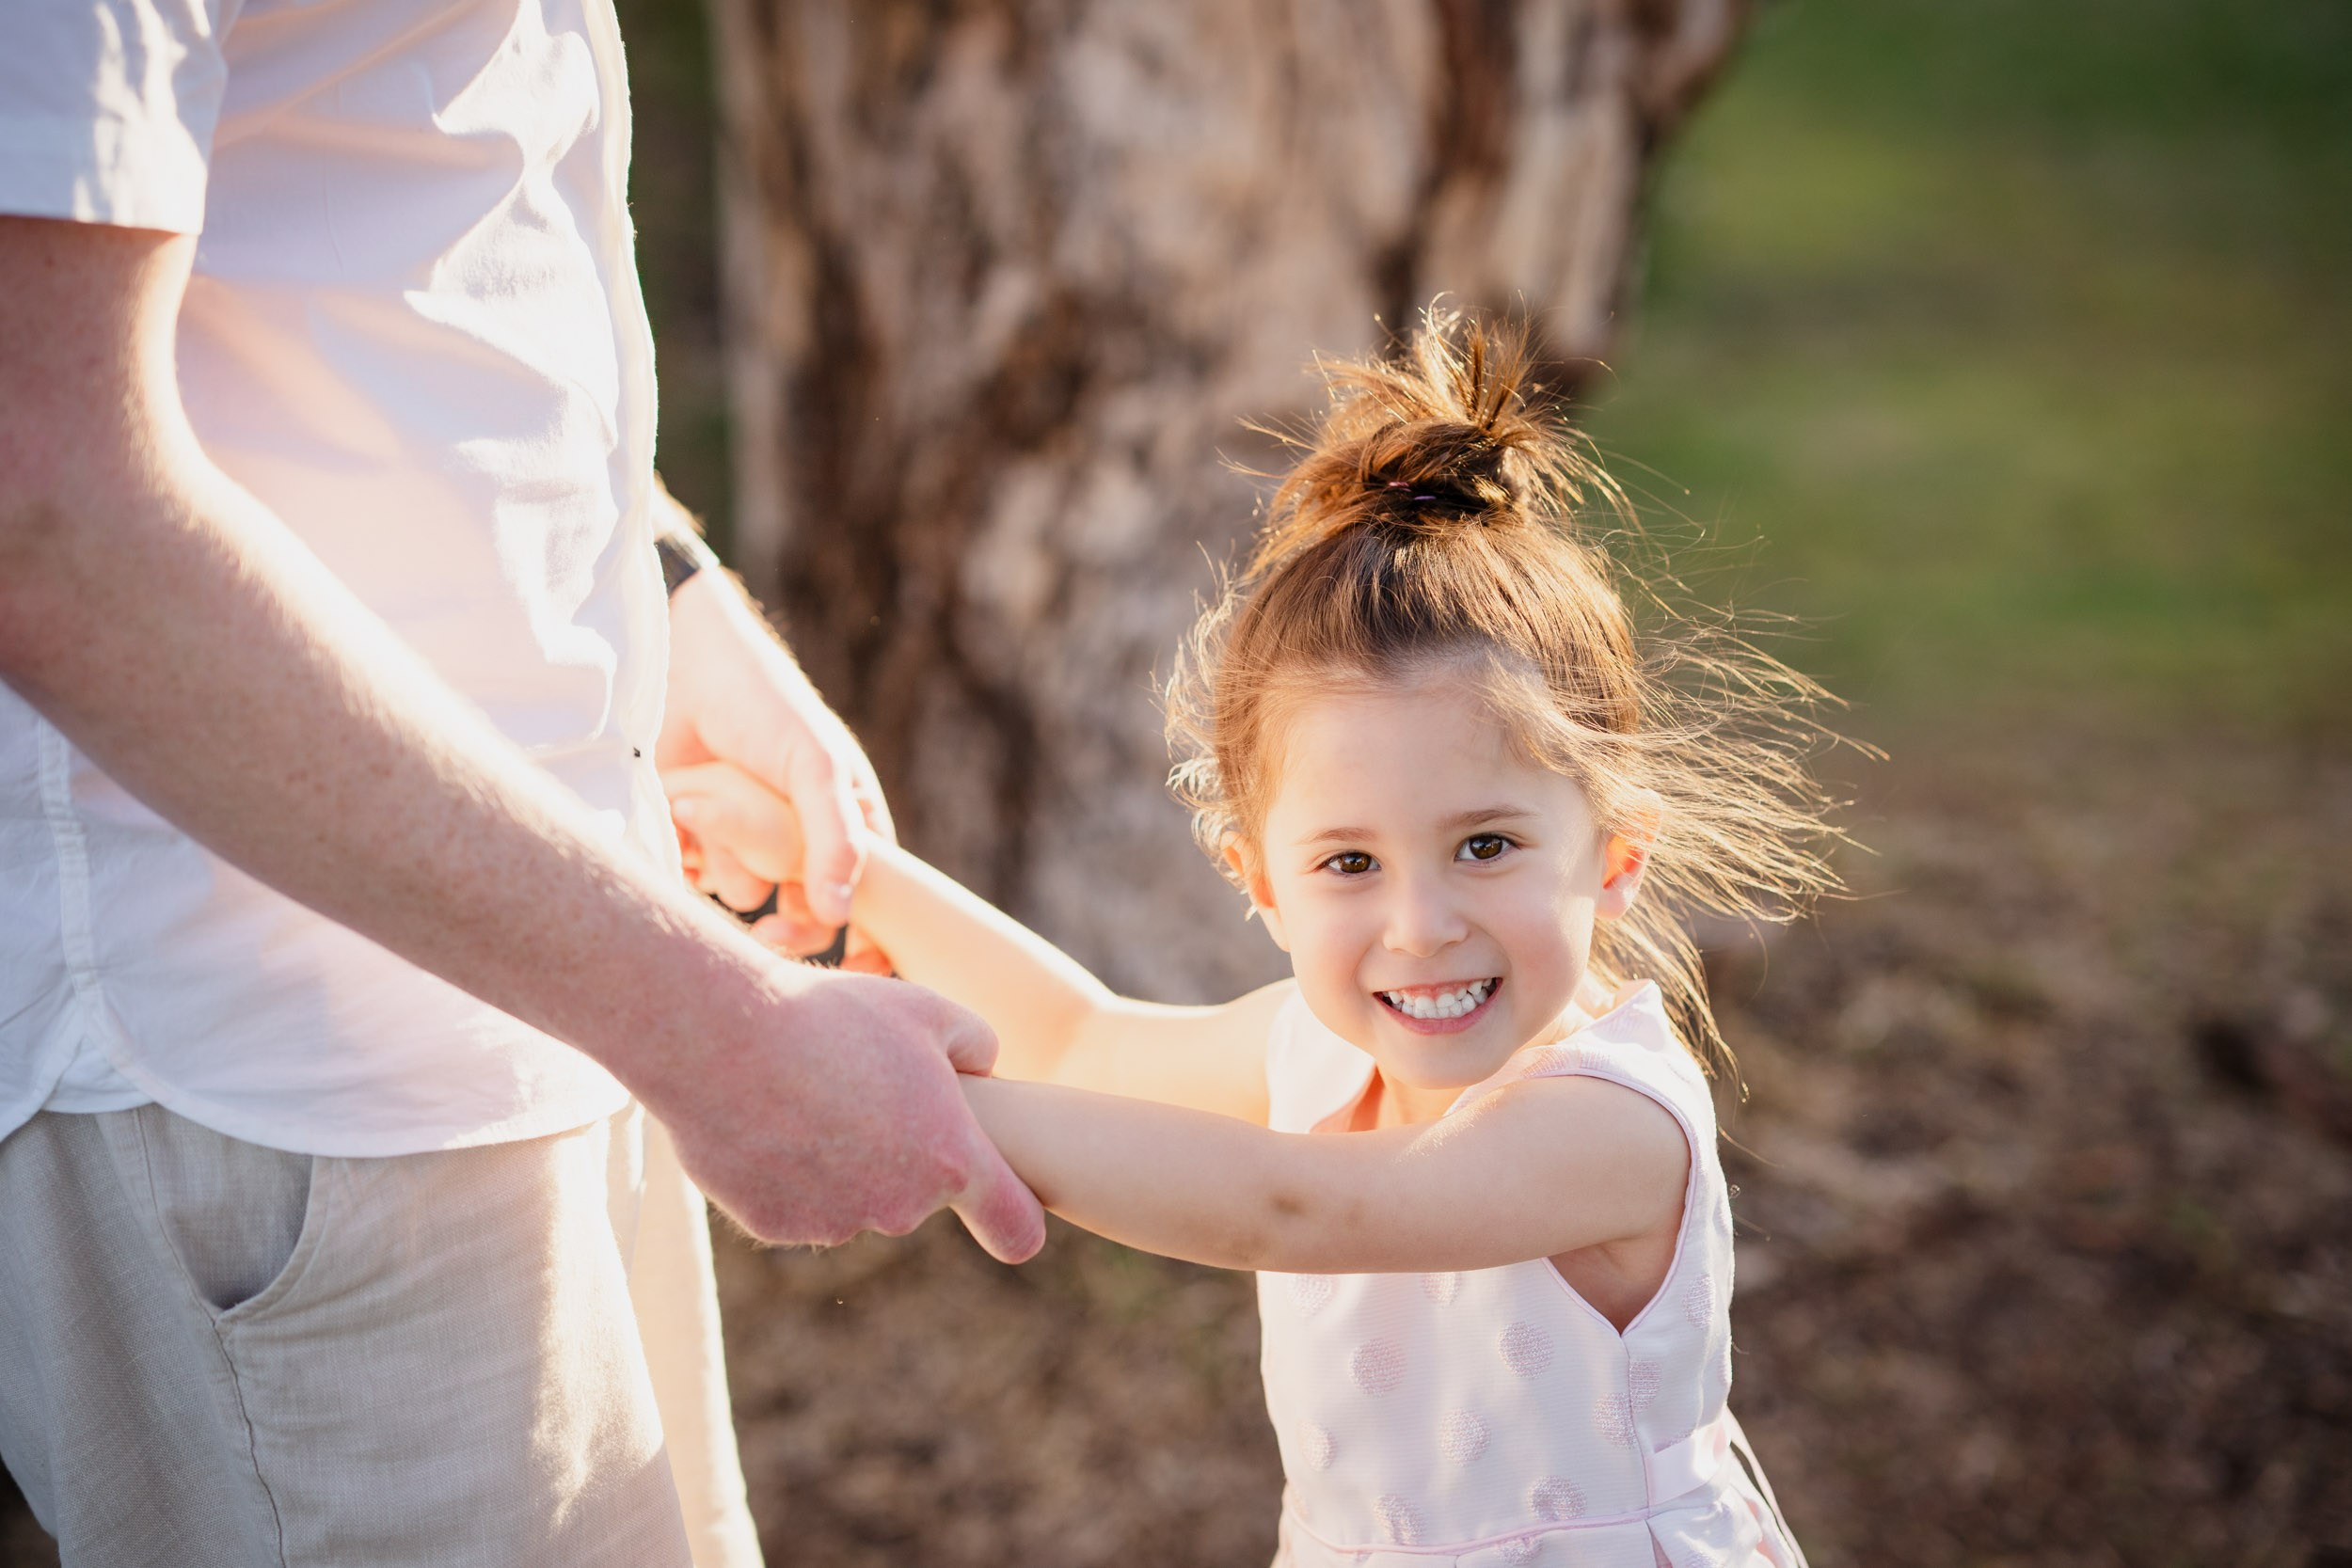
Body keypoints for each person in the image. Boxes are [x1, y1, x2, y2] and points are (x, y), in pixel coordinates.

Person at [0, 3, 1042, 1565]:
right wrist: (714, 1031)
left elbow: (400, 200)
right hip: (288, 1084)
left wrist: (664, 590)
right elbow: (42, 503)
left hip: (557, 960)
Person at [667, 313, 1840, 1567]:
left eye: (1487, 846)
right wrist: (851, 873)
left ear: (1613, 854)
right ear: (1261, 884)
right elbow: (1078, 1041)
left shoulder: (1611, 1122)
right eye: (1350, 864)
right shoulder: (1318, 1053)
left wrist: (910, 1101)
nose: (1421, 927)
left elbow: (1296, 1209)